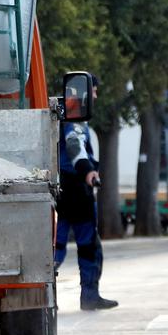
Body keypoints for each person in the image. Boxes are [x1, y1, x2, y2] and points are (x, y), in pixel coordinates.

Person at [54, 108, 118, 311]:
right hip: (77, 190)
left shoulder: (59, 118)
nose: (95, 96)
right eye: (94, 93)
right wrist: (88, 171)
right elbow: (75, 145)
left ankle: (43, 298)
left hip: (59, 190)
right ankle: (90, 297)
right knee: (89, 246)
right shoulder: (75, 119)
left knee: (55, 246)